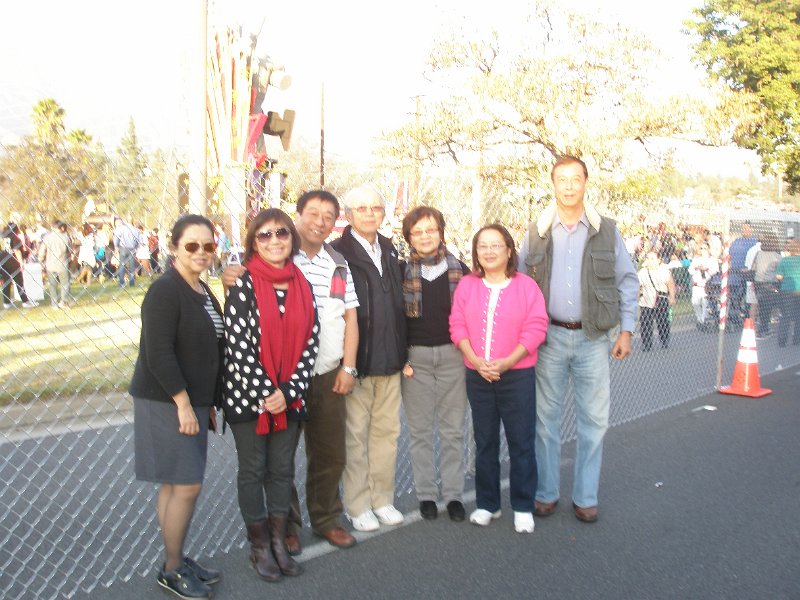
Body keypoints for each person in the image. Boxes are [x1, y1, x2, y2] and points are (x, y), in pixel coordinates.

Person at [519, 155, 638, 523]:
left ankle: (586, 497)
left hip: (593, 338)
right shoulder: (535, 232)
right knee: (545, 422)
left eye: (575, 179)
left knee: (594, 422)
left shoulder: (607, 230)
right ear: (553, 184)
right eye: (562, 179)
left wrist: (627, 330)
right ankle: (546, 492)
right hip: (549, 339)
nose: (569, 186)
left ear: (586, 182)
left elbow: (627, 281)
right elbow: (519, 285)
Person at [129, 214, 224, 599]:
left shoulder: (201, 288)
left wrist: (209, 401)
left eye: (208, 245)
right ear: (173, 248)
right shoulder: (165, 290)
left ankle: (177, 559)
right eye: (192, 245)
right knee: (186, 484)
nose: (201, 252)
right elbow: (159, 353)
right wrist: (184, 403)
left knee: (175, 483)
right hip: (167, 399)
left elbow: (209, 350)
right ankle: (171, 568)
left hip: (193, 400)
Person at [221, 208, 319, 583]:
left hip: (291, 398)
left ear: (292, 238)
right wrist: (268, 394)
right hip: (249, 399)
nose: (274, 240)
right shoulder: (243, 285)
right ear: (253, 243)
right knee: (253, 470)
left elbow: (311, 343)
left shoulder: (303, 285)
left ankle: (278, 542)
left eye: (281, 233)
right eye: (265, 235)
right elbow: (239, 347)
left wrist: (288, 392)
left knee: (281, 470)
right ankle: (259, 547)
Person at [450, 224, 548, 533]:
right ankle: (487, 504)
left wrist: (508, 362)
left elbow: (536, 327)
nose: (489, 251)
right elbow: (457, 325)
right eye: (483, 246)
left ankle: (522, 505)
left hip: (516, 375)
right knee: (485, 441)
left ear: (508, 250)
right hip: (478, 375)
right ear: (476, 252)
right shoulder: (467, 285)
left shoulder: (526, 286)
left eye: (496, 245)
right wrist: (475, 359)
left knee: (521, 441)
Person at [329, 185, 407, 532]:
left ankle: (382, 499)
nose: (369, 213)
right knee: (355, 438)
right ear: (348, 214)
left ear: (383, 213)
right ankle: (358, 505)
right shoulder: (337, 254)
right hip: (357, 363)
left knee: (386, 435)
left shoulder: (389, 249)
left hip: (390, 361)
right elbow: (335, 309)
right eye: (361, 208)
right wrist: (346, 363)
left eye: (375, 207)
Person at [400, 206, 470, 522]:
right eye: (418, 232)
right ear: (409, 238)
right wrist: (401, 357)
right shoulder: (401, 272)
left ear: (441, 232)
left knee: (453, 430)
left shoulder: (461, 271)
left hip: (454, 356)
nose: (425, 236)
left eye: (431, 229)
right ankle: (426, 494)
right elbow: (395, 318)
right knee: (420, 431)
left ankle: (454, 495)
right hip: (415, 361)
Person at [637, 252, 676, 351]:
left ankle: (664, 340)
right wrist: (636, 298)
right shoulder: (642, 272)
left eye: (653, 258)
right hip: (646, 300)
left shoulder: (663, 270)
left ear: (658, 260)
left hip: (660, 299)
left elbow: (670, 284)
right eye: (648, 258)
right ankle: (646, 344)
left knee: (662, 321)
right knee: (645, 323)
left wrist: (672, 297)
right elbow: (637, 286)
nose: (650, 261)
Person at [1, 222, 38, 309]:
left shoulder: (3, 237)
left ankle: (6, 302)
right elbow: (17, 251)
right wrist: (21, 263)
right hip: (14, 262)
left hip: (3, 262)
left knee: (6, 282)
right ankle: (25, 301)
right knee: (19, 283)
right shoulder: (15, 238)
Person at [38, 220, 73, 309]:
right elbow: (70, 250)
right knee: (65, 284)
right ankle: (64, 301)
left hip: (50, 264)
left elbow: (42, 251)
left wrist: (41, 261)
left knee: (52, 285)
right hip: (63, 263)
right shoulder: (65, 237)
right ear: (61, 227)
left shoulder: (47, 237)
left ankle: (54, 304)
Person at [728, 222, 757, 327]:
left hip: (747, 275)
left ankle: (747, 318)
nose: (744, 230)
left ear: (751, 229)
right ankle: (734, 317)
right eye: (743, 228)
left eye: (746, 228)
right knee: (734, 297)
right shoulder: (736, 241)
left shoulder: (754, 242)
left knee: (747, 298)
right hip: (734, 274)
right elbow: (729, 255)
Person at [751, 233, 781, 339]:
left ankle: (762, 328)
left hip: (758, 283)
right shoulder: (777, 256)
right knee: (767, 308)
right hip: (770, 284)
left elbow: (753, 268)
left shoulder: (758, 254)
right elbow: (779, 273)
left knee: (761, 306)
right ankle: (763, 330)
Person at [776, 238, 800, 347]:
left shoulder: (784, 260)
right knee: (798, 316)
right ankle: (797, 339)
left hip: (786, 291)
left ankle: (782, 340)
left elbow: (779, 277)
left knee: (785, 315)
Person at [689, 243, 719, 331]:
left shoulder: (712, 260)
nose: (703, 250)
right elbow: (690, 270)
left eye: (705, 248)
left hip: (707, 285)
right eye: (701, 248)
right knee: (695, 302)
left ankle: (703, 320)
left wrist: (706, 269)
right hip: (697, 285)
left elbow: (715, 271)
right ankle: (699, 318)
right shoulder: (696, 260)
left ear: (708, 249)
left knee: (705, 302)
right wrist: (696, 268)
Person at [113, 216, 141, 287]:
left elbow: (116, 237)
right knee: (132, 266)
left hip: (123, 247)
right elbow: (138, 240)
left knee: (122, 265)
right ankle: (132, 282)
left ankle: (121, 282)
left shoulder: (121, 228)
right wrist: (136, 247)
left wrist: (116, 246)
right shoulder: (135, 230)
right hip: (132, 248)